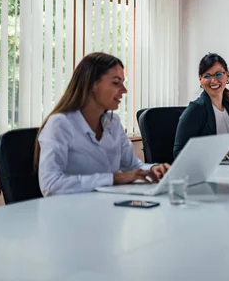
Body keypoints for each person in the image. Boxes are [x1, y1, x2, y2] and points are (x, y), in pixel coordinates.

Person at [36, 52, 170, 197]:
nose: (124, 90)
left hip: (106, 206)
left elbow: (132, 166)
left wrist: (154, 169)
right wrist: (114, 179)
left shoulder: (113, 123)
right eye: (116, 83)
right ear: (92, 84)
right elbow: (50, 185)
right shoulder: (60, 124)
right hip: (71, 212)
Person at [174, 53, 229, 161]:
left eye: (218, 74)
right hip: (208, 175)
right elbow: (179, 153)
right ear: (200, 79)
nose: (214, 81)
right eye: (207, 76)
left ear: (227, 75)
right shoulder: (195, 110)